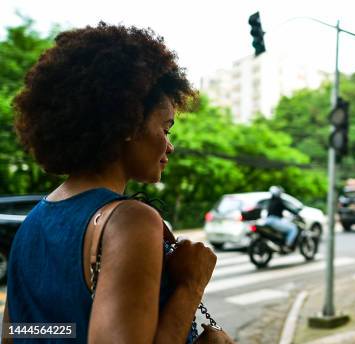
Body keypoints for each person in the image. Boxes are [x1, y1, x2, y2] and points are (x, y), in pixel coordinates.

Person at [3, 23, 233, 344]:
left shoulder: (31, 225)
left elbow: (15, 335)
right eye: (166, 128)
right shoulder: (129, 221)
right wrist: (190, 286)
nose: (170, 146)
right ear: (128, 122)